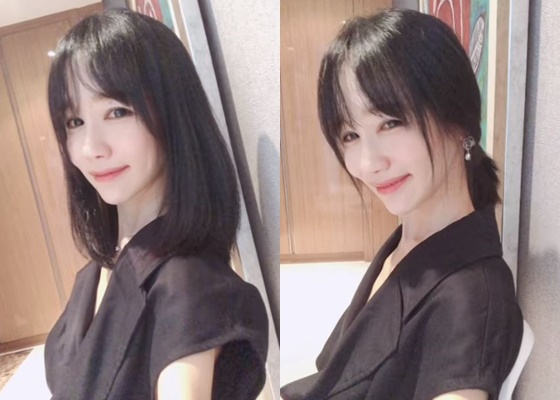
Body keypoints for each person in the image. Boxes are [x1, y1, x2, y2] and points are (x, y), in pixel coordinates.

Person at [281, 9, 522, 400]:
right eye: (349, 135)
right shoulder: (411, 238)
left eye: (390, 123)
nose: (368, 164)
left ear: (458, 118)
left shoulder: (469, 298)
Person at [44, 9, 268, 400]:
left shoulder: (189, 287)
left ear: (172, 113)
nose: (91, 148)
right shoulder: (100, 268)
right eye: (74, 121)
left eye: (117, 112)